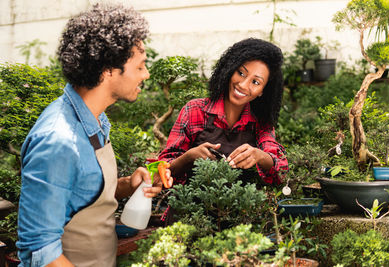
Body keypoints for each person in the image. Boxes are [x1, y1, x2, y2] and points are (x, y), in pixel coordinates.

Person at [16, 4, 172, 267]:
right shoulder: (58, 140)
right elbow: (40, 251)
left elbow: (81, 192)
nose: (146, 74)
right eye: (140, 66)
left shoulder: (94, 118)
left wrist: (128, 185)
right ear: (108, 69)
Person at [159, 38, 288, 185]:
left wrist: (260, 156)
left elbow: (282, 173)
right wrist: (189, 157)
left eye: (256, 82)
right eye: (241, 73)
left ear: (262, 91)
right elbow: (162, 169)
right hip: (188, 206)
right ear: (230, 69)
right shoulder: (194, 110)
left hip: (240, 206)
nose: (243, 85)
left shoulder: (261, 122)